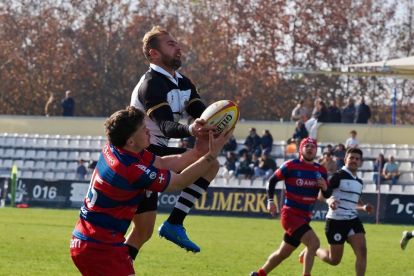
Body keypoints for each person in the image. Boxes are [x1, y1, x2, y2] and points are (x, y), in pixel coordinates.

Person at [70, 106, 233, 276]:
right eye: (143, 129)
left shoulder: (116, 147)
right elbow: (180, 182)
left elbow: (162, 163)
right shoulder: (131, 168)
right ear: (130, 141)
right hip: (101, 248)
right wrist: (211, 156)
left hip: (86, 241)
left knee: (143, 232)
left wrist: (197, 152)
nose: (149, 131)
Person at [128, 26, 219, 256]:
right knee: (139, 231)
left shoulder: (183, 82)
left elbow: (203, 114)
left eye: (177, 43)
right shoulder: (151, 84)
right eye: (171, 44)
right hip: (138, 157)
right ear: (154, 54)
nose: (178, 48)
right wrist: (192, 129)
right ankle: (173, 224)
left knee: (142, 232)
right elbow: (166, 126)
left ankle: (174, 223)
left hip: (158, 152)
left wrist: (219, 124)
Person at [250, 138, 332, 276]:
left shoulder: (321, 170)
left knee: (284, 253)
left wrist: (324, 188)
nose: (310, 149)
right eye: (307, 146)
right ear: (301, 149)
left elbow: (327, 193)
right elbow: (271, 181)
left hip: (305, 218)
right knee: (314, 243)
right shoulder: (290, 165)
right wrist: (270, 200)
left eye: (313, 146)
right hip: (290, 214)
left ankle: (259, 274)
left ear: (316, 150)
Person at [307, 148, 374, 276]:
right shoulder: (337, 176)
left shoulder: (359, 182)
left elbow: (355, 202)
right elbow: (320, 194)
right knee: (334, 260)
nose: (354, 160)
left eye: (357, 159)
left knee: (362, 251)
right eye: (351, 158)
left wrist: (364, 207)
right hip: (336, 220)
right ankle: (313, 251)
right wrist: (329, 201)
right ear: (345, 160)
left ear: (360, 162)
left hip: (353, 220)